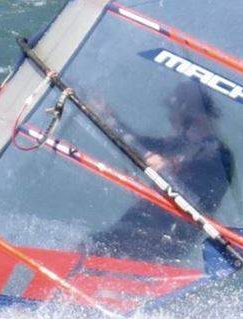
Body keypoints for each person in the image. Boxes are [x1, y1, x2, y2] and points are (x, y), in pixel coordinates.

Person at [89, 83, 234, 259]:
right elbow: (134, 142)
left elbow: (199, 202)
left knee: (97, 250)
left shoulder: (217, 155)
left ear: (195, 118)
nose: (170, 118)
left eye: (173, 112)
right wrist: (108, 117)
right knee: (90, 245)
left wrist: (168, 173)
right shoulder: (180, 144)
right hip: (132, 231)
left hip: (159, 244)